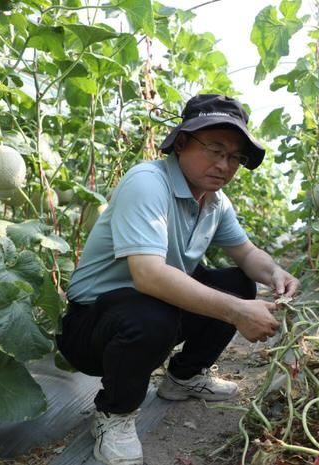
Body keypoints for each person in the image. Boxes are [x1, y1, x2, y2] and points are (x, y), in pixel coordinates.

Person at [57, 94, 299, 465]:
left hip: (150, 307)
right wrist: (237, 313)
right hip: (92, 328)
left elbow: (248, 254)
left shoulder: (215, 202)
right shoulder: (147, 182)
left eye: (234, 157)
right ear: (182, 142)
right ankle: (114, 414)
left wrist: (276, 274)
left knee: (237, 283)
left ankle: (183, 378)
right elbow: (149, 275)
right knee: (154, 315)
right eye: (215, 150)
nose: (224, 165)